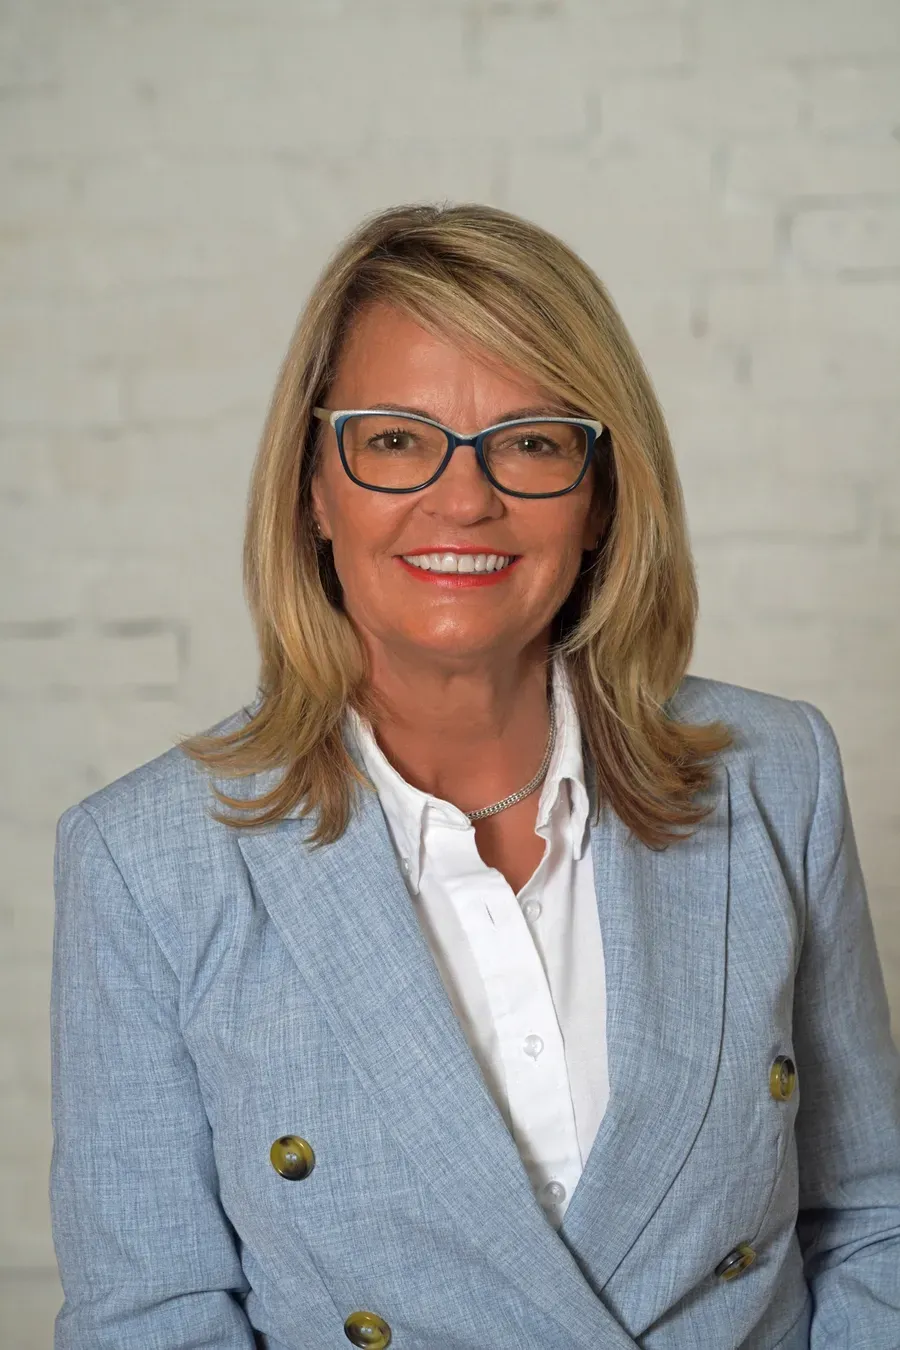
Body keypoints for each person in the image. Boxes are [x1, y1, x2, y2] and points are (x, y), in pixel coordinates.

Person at [50, 203, 900, 1350]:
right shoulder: (144, 862)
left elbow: (870, 1223)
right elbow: (150, 1320)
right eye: (395, 438)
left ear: (600, 494)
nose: (465, 499)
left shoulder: (775, 776)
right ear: (313, 485)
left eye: (533, 441)